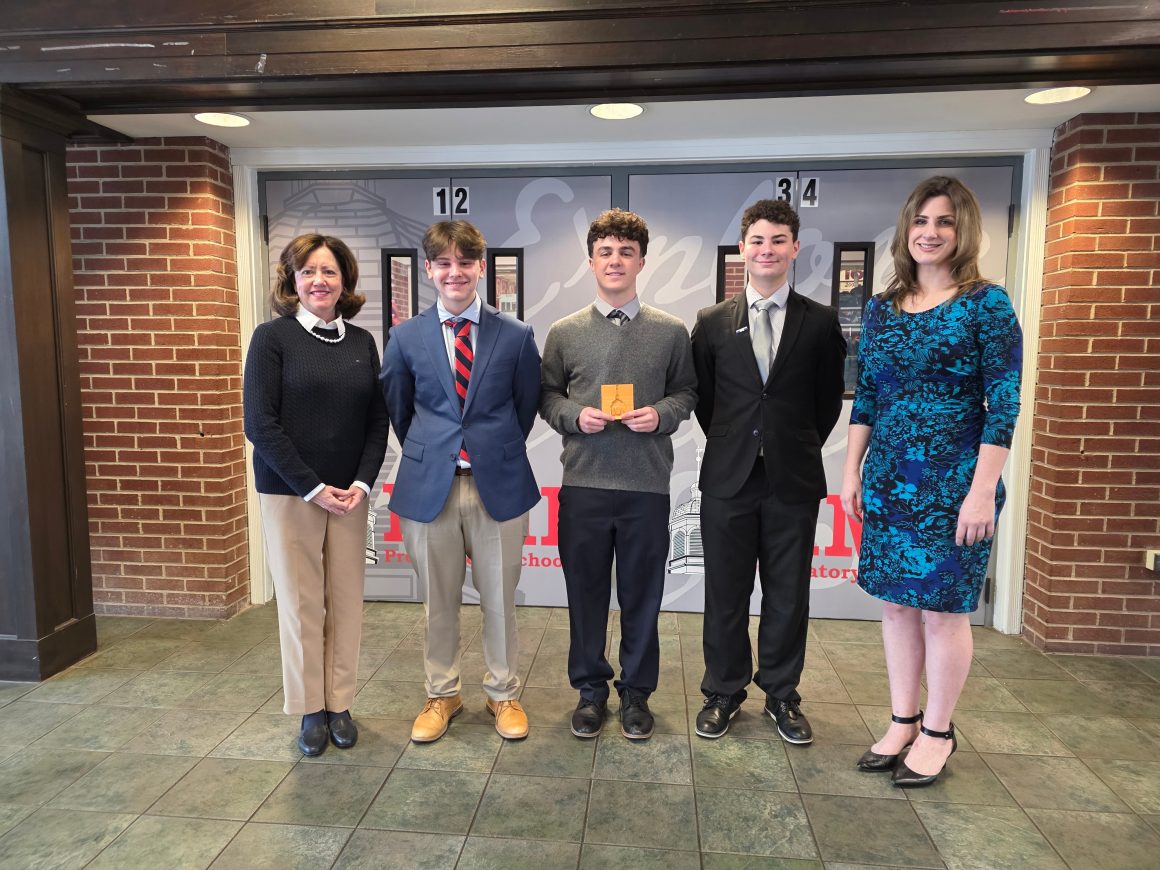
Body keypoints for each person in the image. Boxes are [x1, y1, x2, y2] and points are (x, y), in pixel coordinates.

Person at [841, 176, 1022, 787]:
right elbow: (867, 396)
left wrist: (981, 490)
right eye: (920, 221)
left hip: (955, 486)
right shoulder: (881, 308)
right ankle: (902, 721)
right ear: (906, 230)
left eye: (944, 222)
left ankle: (939, 731)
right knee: (896, 607)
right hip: (891, 480)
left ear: (962, 230)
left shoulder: (986, 304)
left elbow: (1003, 402)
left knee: (943, 612)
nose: (930, 232)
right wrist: (851, 472)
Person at [691, 199, 846, 743]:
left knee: (788, 594)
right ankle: (724, 691)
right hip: (728, 479)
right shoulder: (711, 323)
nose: (767, 249)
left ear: (795, 248)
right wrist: (740, 444)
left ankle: (782, 694)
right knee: (725, 592)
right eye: (757, 240)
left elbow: (828, 402)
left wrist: (788, 444)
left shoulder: (821, 322)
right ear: (742, 249)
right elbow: (706, 402)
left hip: (793, 479)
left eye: (779, 240)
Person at [540, 208, 697, 740]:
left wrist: (663, 414)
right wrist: (571, 416)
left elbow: (688, 392)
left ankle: (636, 693)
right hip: (583, 484)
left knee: (641, 597)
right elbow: (547, 395)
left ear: (642, 262)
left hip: (646, 487)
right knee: (584, 595)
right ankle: (589, 691)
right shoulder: (564, 332)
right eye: (605, 252)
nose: (615, 261)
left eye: (625, 252)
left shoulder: (671, 332)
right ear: (591, 262)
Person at [382, 220, 541, 743]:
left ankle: (503, 693)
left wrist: (486, 448)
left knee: (500, 599)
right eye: (444, 262)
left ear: (481, 267)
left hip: (498, 483)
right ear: (429, 270)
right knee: (439, 602)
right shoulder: (405, 337)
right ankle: (442, 693)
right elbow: (401, 412)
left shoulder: (515, 335)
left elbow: (525, 408)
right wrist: (440, 451)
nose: (455, 272)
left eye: (465, 262)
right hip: (432, 487)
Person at [243, 233, 388, 756]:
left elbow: (377, 420)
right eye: (307, 272)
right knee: (303, 606)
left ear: (345, 280)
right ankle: (310, 709)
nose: (319, 281)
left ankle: (340, 703)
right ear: (292, 282)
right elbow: (260, 423)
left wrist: (361, 484)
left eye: (329, 272)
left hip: (350, 496)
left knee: (346, 602)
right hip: (290, 494)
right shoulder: (272, 339)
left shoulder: (361, 343)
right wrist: (311, 487)